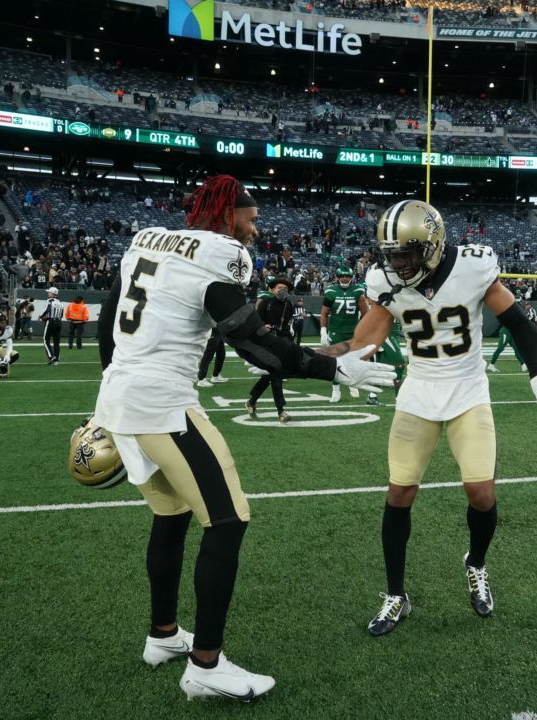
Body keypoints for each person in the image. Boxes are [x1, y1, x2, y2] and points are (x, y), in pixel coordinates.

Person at [85, 175, 392, 700]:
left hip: (121, 395)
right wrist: (333, 372)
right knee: (227, 522)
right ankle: (206, 666)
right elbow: (252, 342)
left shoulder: (146, 240)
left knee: (170, 514)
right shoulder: (219, 254)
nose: (255, 229)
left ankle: (163, 635)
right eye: (250, 219)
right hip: (163, 405)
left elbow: (110, 321)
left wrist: (111, 396)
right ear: (228, 215)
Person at [318, 198, 537, 637]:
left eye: (405, 254)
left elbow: (518, 322)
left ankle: (476, 562)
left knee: (481, 493)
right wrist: (310, 358)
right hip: (419, 393)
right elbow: (363, 340)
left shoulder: (473, 265)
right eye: (390, 254)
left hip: (468, 391)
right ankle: (396, 594)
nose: (397, 263)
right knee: (399, 494)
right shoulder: (384, 281)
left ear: (431, 245)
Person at [245, 276, 296, 423]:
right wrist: (263, 327)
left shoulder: (289, 304)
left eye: (285, 288)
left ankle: (252, 400)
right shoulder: (265, 303)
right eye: (279, 288)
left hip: (283, 342)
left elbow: (287, 324)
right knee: (276, 374)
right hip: (267, 342)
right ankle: (281, 411)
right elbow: (254, 322)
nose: (282, 291)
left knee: (270, 375)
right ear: (272, 289)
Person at [320, 266, 369, 403]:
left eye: (347, 276)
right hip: (336, 330)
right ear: (338, 277)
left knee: (353, 360)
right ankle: (336, 390)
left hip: (353, 330)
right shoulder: (331, 292)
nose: (344, 278)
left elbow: (366, 314)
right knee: (335, 361)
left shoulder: (358, 291)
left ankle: (352, 383)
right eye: (342, 276)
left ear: (351, 277)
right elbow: (324, 313)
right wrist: (323, 331)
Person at [39, 286, 65, 365]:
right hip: (59, 322)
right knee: (56, 342)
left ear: (53, 293)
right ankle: (56, 361)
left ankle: (51, 356)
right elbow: (61, 315)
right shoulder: (60, 303)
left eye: (49, 292)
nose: (48, 293)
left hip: (51, 322)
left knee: (45, 339)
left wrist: (41, 316)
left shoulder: (49, 301)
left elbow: (47, 310)